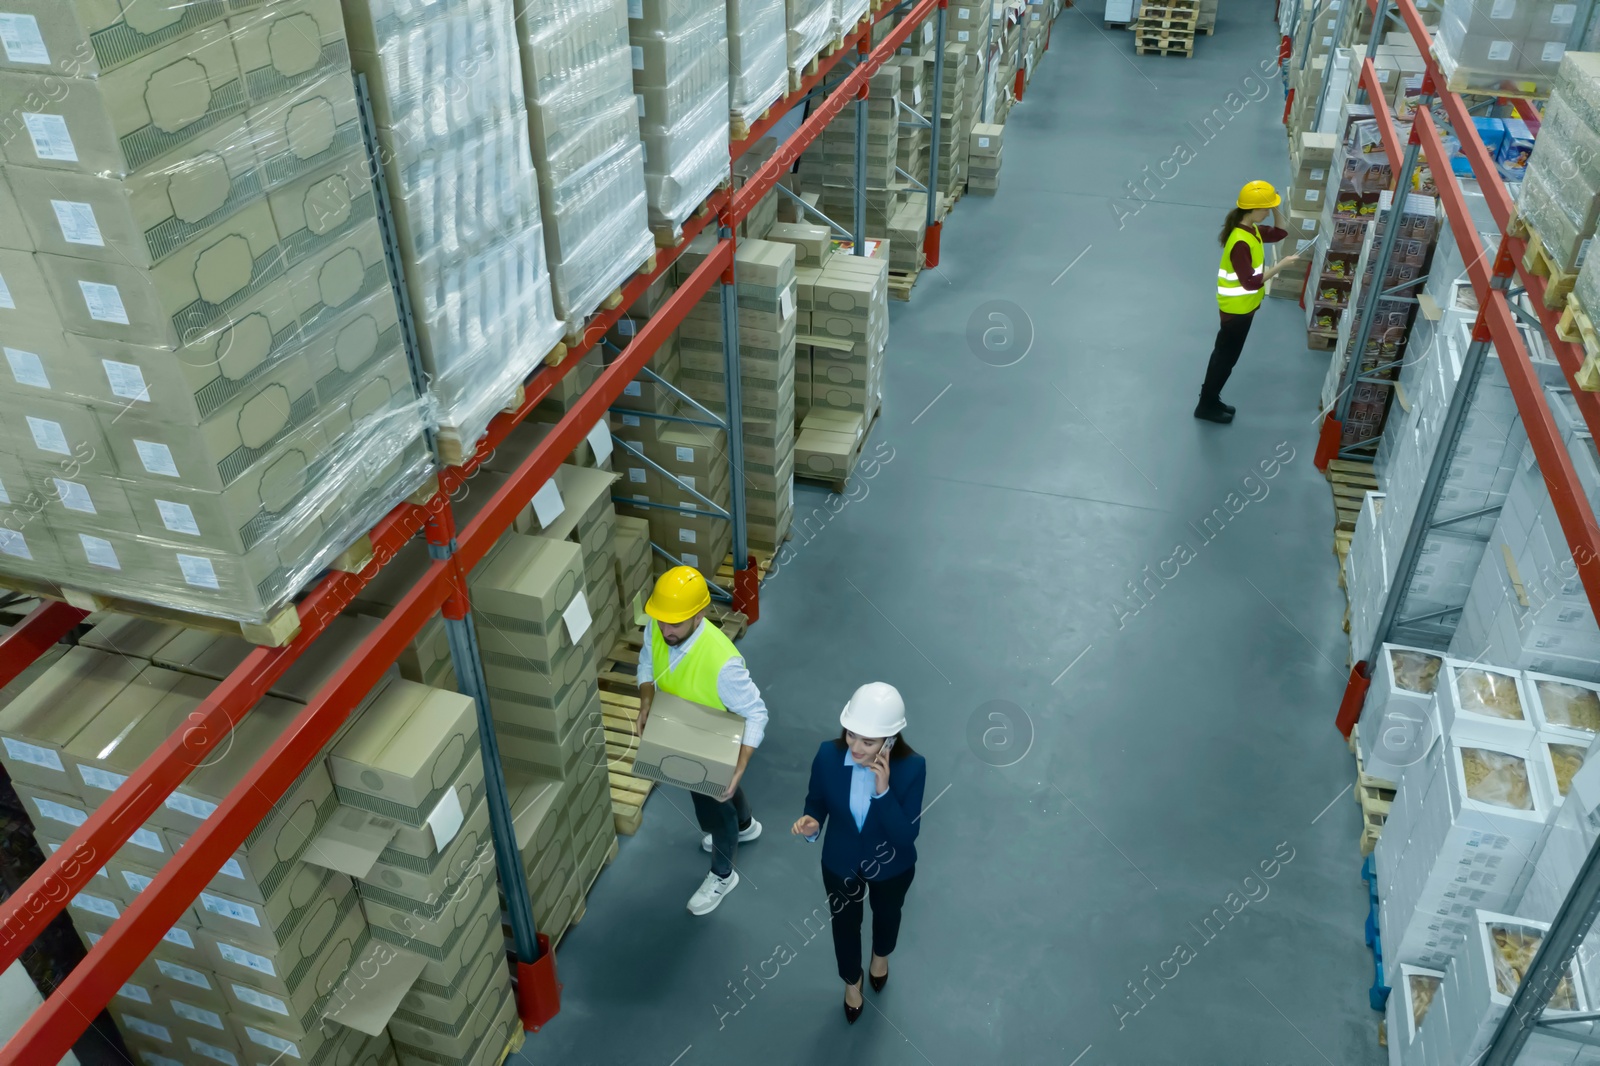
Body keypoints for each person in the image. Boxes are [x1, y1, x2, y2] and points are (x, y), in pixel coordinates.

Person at [636, 566, 769, 916]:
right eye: (661, 622)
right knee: (720, 800)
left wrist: (738, 767)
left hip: (713, 738)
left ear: (698, 615)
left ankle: (723, 874)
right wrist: (646, 698)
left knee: (712, 808)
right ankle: (746, 825)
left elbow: (756, 713)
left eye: (674, 625)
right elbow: (647, 661)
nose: (665, 630)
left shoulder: (722, 663)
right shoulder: (662, 622)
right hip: (683, 725)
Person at [792, 683, 926, 1024]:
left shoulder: (912, 768)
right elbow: (817, 801)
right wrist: (812, 823)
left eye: (868, 741)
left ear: (890, 740)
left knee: (887, 914)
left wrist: (883, 793)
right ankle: (852, 981)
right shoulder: (826, 755)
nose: (855, 746)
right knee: (845, 925)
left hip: (891, 864)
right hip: (841, 860)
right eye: (851, 734)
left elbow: (906, 836)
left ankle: (880, 956)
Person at [1195, 180, 1302, 425]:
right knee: (1224, 359)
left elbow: (1279, 233)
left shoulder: (1250, 229)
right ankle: (1206, 405)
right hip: (1236, 311)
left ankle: (1212, 400)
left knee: (1225, 358)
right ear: (1252, 210)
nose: (1267, 213)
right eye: (1265, 209)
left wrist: (1277, 206)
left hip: (1244, 308)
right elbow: (1251, 282)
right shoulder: (1240, 242)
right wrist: (1281, 266)